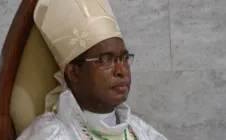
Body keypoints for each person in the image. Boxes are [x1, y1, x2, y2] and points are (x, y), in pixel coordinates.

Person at [17, 0, 168, 139]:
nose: (122, 70)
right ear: (74, 73)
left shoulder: (141, 132)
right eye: (106, 59)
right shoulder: (51, 135)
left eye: (124, 58)